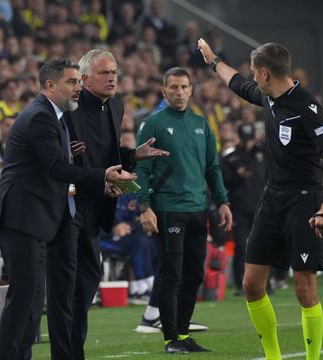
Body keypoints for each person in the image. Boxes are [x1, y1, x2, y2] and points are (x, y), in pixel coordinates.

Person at [198, 39, 323, 360]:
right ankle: (273, 357)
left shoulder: (306, 108)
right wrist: (213, 60)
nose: (252, 78)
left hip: (305, 200)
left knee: (304, 288)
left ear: (264, 72)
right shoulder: (269, 96)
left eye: (254, 72)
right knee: (251, 284)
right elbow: (237, 84)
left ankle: (313, 358)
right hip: (271, 198)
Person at [0, 59, 136, 360]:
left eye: (78, 82)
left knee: (31, 299)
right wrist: (102, 176)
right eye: (71, 82)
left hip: (36, 219)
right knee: (25, 298)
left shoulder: (52, 117)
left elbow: (56, 165)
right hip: (22, 217)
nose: (78, 88)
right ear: (49, 85)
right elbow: (56, 168)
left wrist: (100, 181)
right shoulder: (41, 117)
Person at [63, 49, 168, 360]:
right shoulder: (68, 108)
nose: (111, 78)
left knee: (86, 281)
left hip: (96, 205)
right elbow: (63, 160)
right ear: (83, 79)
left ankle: (73, 350)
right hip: (67, 204)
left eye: (114, 73)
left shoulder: (116, 107)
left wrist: (133, 155)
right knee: (70, 282)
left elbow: (106, 156)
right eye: (104, 73)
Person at [136, 66, 232, 353]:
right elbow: (141, 170)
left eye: (184, 87)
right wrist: (144, 207)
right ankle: (170, 339)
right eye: (173, 87)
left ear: (191, 90)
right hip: (167, 209)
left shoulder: (202, 124)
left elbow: (213, 168)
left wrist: (223, 201)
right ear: (164, 91)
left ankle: (181, 334)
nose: (179, 92)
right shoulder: (152, 124)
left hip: (198, 208)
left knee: (194, 275)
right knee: (172, 274)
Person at [220, 123, 266, 295]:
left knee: (263, 245)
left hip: (261, 206)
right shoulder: (231, 158)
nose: (248, 142)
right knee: (240, 246)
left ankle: (264, 283)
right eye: (245, 138)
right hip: (239, 207)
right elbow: (223, 182)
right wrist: (237, 176)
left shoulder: (263, 155)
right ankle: (240, 283)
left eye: (250, 138)